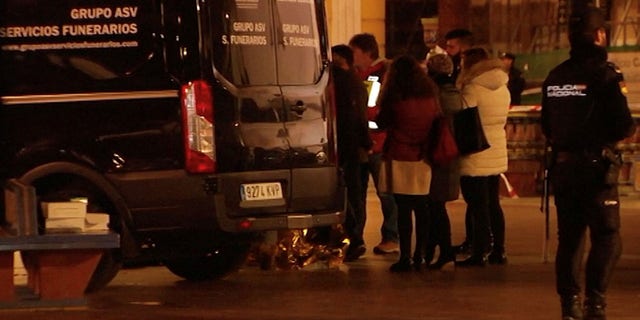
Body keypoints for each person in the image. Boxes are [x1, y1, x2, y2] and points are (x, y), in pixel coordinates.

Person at [540, 6, 635, 320]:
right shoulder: (606, 75)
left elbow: (546, 126)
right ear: (599, 35)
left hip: (563, 169)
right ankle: (596, 304)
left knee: (569, 239)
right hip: (595, 169)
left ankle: (569, 305)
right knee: (607, 237)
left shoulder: (555, 76)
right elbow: (623, 125)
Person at [375, 54, 440, 272]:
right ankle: (420, 254)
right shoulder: (430, 97)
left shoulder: (395, 98)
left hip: (399, 156)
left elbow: (381, 122)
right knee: (422, 208)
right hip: (423, 157)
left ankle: (405, 256)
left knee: (403, 210)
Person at [455, 47, 510, 267]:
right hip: (496, 148)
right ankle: (499, 250)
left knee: (477, 205)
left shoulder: (472, 88)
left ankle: (479, 252)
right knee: (493, 204)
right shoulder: (503, 86)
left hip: (476, 150)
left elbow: (462, 113)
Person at [349, 33, 400, 256]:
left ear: (367, 53)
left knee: (387, 194)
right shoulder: (354, 75)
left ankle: (391, 237)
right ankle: (355, 238)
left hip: (380, 143)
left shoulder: (385, 74)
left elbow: (379, 108)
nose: (351, 57)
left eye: (354, 52)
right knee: (356, 195)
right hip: (360, 143)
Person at [331, 45, 373, 262]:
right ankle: (356, 237)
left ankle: (353, 238)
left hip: (343, 146)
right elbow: (361, 116)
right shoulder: (355, 81)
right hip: (354, 146)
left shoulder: (339, 80)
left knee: (346, 193)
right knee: (356, 194)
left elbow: (356, 116)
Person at [422, 53, 462, 269]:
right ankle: (433, 250)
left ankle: (443, 251)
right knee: (437, 205)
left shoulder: (435, 95)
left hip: (438, 153)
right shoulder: (456, 92)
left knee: (435, 205)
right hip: (451, 153)